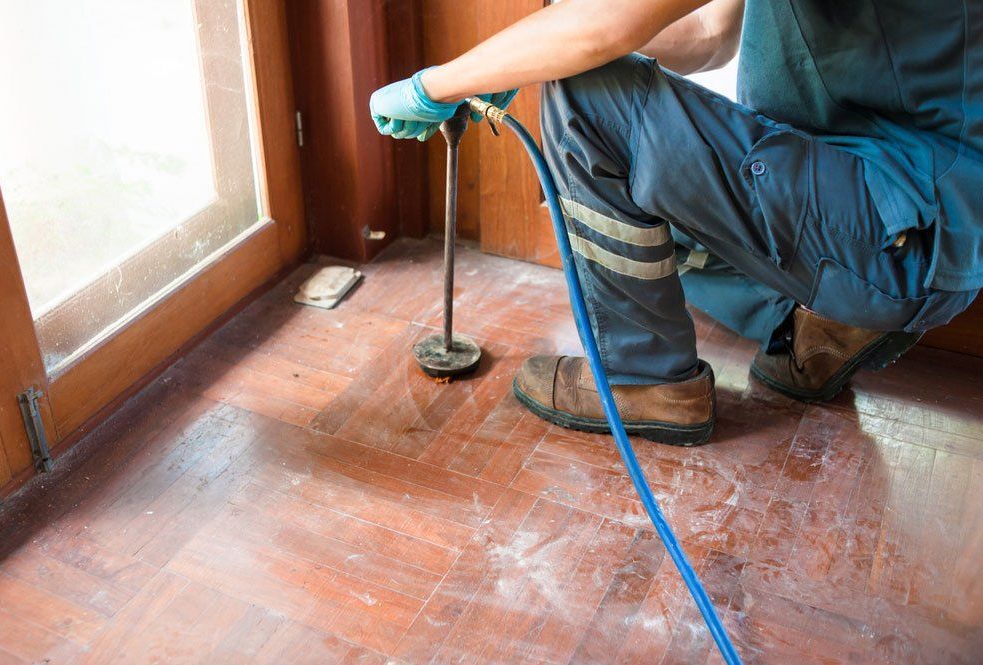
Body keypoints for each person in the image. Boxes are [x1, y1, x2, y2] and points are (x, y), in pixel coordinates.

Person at [369, 0, 981, 445]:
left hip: (902, 229)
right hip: (899, 220)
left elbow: (606, 27)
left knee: (583, 95)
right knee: (643, 186)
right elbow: (709, 33)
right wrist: (527, 53)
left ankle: (645, 380)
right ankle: (813, 326)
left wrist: (436, 84)